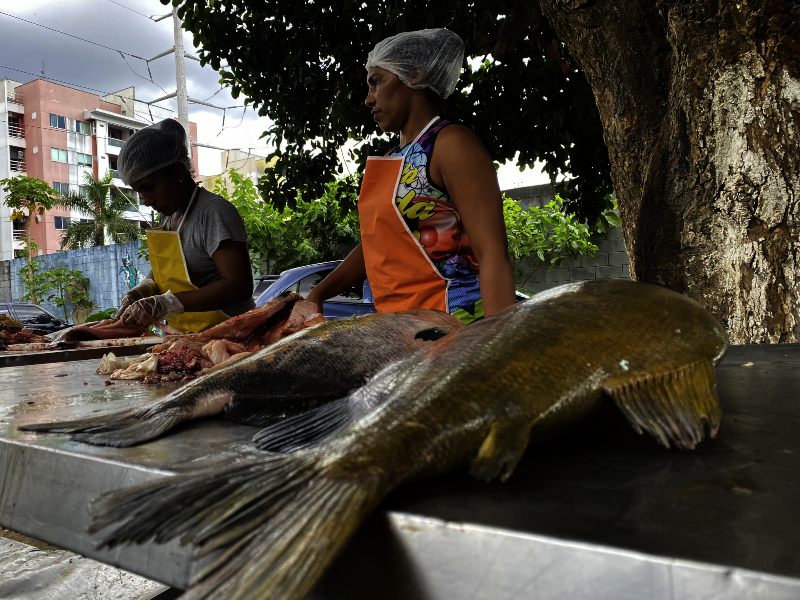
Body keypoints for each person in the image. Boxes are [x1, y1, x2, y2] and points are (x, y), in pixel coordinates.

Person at [291, 28, 516, 326]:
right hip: (401, 330)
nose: (368, 99)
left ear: (415, 74)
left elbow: (492, 252)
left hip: (455, 325)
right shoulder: (391, 158)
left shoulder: (450, 144)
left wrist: (498, 342)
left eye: (376, 82)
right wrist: (317, 295)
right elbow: (375, 247)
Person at [115, 119, 254, 333]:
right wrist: (142, 290)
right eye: (140, 193)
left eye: (149, 188)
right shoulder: (169, 217)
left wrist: (165, 303)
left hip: (232, 335)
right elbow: (169, 271)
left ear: (178, 172)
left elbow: (238, 287)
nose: (146, 200)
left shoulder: (214, 212)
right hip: (186, 336)